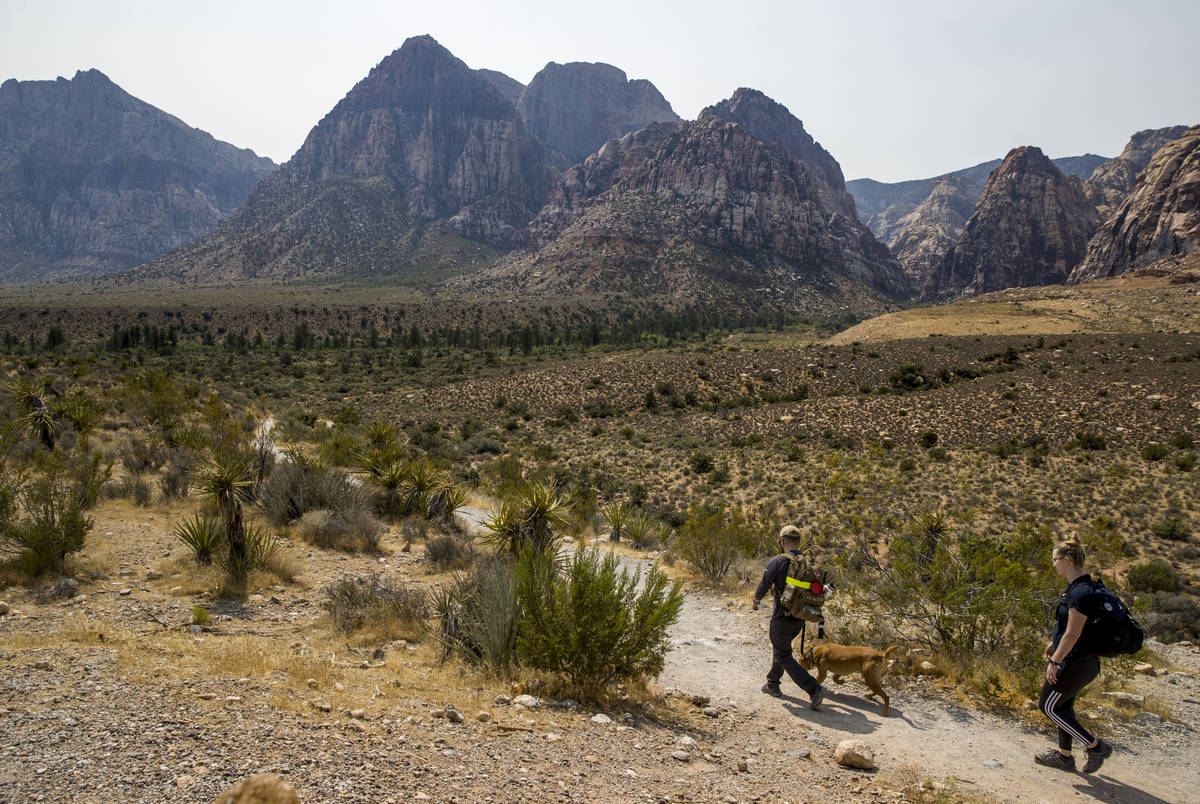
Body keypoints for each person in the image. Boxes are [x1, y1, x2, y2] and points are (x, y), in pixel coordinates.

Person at [1035, 539, 1114, 773]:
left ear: (1067, 560)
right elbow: (1073, 628)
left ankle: (1095, 746)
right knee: (1063, 706)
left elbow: (1072, 633)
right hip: (1084, 661)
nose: (1054, 565)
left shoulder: (1080, 592)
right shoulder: (1081, 587)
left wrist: (1055, 661)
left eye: (1055, 560)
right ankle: (1064, 757)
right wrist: (1054, 642)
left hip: (1075, 661)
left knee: (1048, 706)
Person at [752, 525, 825, 708]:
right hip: (800, 618)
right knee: (782, 649)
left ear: (782, 542)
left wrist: (755, 601)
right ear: (798, 542)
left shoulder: (777, 561)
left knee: (783, 654)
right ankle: (772, 684)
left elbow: (763, 585)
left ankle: (813, 688)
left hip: (781, 617)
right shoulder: (808, 564)